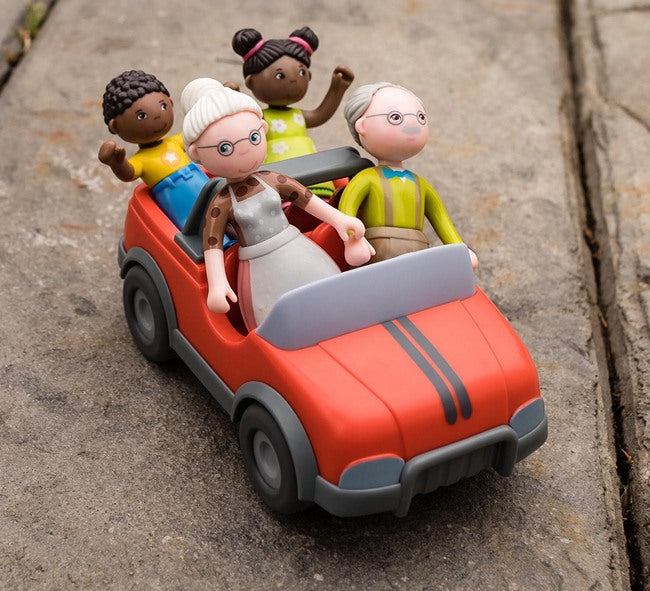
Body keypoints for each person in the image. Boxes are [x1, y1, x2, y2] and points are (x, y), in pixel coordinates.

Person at [181, 78, 374, 330]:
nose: (243, 151)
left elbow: (307, 199)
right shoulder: (222, 201)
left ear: (262, 129)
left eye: (252, 137)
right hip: (258, 264)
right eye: (225, 148)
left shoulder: (274, 180)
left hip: (295, 248)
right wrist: (217, 283)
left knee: (324, 290)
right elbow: (213, 243)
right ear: (197, 154)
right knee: (273, 314)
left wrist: (339, 220)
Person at [339, 82, 478, 267]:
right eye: (395, 117)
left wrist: (460, 249)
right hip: (378, 249)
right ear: (362, 126)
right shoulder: (367, 178)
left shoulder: (421, 185)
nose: (412, 123)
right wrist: (353, 242)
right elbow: (346, 211)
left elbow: (442, 220)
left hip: (420, 252)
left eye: (420, 117)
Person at [231, 27, 354, 198]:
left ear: (309, 76)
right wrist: (231, 100)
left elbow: (321, 114)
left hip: (316, 177)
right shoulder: (261, 118)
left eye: (302, 72)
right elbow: (240, 125)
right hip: (279, 179)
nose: (293, 79)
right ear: (251, 82)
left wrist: (337, 88)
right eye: (280, 76)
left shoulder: (298, 115)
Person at [99, 70, 209, 230]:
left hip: (200, 183)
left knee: (219, 206)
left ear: (170, 103)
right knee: (197, 225)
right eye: (141, 116)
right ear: (115, 126)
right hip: (174, 197)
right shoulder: (141, 159)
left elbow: (197, 133)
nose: (157, 116)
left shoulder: (175, 141)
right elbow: (129, 173)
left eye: (163, 106)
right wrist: (116, 163)